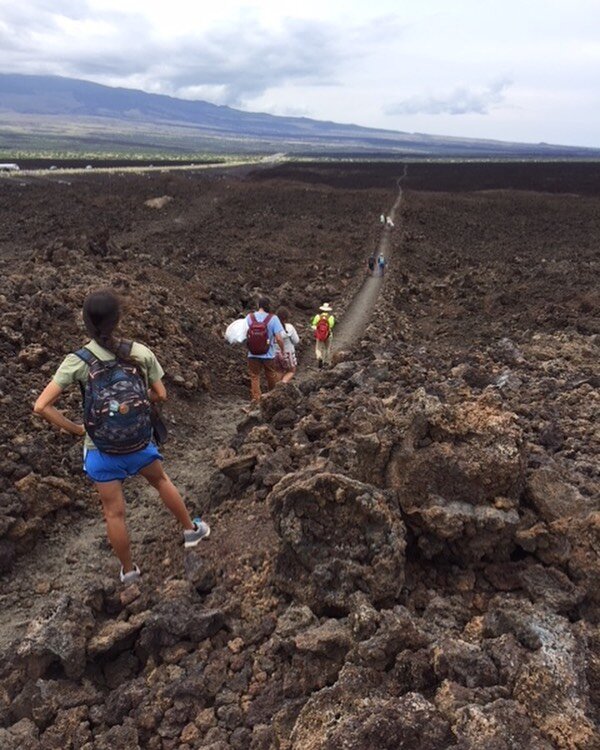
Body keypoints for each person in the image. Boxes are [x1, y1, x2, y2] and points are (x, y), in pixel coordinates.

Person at [33, 289, 210, 585]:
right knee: (161, 481)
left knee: (114, 514)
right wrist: (134, 402)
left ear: (86, 322)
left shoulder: (77, 362)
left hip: (100, 449)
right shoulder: (139, 352)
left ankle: (129, 572)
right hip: (140, 442)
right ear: (118, 319)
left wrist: (79, 428)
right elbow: (161, 395)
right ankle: (191, 529)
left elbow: (41, 406)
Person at [246, 297, 286, 402]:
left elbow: (244, 334)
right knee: (271, 374)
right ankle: (271, 398)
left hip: (252, 353)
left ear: (258, 305)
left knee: (254, 376)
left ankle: (256, 400)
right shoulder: (273, 318)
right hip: (268, 354)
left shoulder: (249, 317)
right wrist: (282, 349)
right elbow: (279, 338)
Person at [276, 307, 300, 383]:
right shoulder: (289, 327)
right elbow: (296, 341)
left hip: (275, 353)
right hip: (288, 353)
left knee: (279, 371)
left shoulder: (273, 327)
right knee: (291, 371)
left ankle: (276, 388)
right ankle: (282, 384)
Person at [311, 303, 335, 369]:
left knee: (318, 348)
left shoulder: (318, 317)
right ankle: (325, 362)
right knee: (327, 348)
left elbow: (313, 324)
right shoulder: (331, 317)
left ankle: (319, 357)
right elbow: (331, 326)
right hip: (328, 335)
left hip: (319, 335)